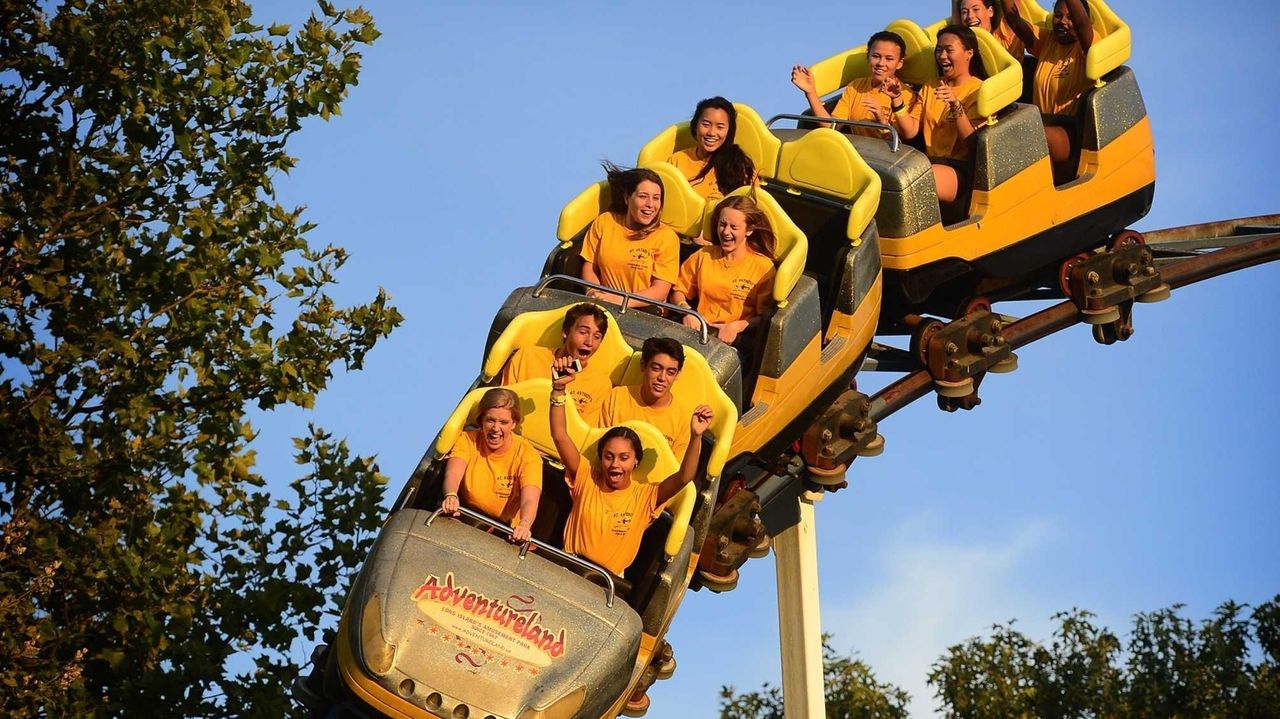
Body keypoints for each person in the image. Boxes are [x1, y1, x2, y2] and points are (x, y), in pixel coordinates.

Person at [550, 369, 713, 576]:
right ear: (600, 459)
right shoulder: (586, 476)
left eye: (623, 458)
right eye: (609, 457)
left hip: (607, 583)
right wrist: (558, 390)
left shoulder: (645, 497)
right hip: (566, 567)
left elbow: (684, 477)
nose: (615, 464)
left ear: (635, 461)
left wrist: (696, 436)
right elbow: (559, 435)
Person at [887, 24, 989, 203]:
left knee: (915, 179)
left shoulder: (979, 90)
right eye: (939, 50)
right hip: (927, 163)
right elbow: (911, 131)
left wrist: (955, 104)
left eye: (949, 50)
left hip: (961, 168)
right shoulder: (930, 85)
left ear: (969, 53)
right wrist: (897, 101)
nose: (942, 56)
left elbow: (972, 142)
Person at [1002, 0, 1102, 176]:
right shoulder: (1047, 40)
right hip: (1037, 121)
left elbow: (1082, 24)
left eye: (1070, 17)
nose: (1063, 21)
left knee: (1024, 135)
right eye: (1058, 16)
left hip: (1068, 131)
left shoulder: (1087, 46)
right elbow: (1014, 21)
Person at [671, 196, 776, 349]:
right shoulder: (703, 255)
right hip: (699, 332)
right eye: (722, 225)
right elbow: (678, 291)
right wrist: (688, 312)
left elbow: (765, 316)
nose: (726, 232)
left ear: (749, 230)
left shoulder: (763, 267)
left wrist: (735, 327)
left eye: (733, 227)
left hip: (735, 341)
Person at [440, 388, 542, 543]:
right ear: (481, 420)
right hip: (463, 514)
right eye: (490, 420)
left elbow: (530, 498)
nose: (496, 428)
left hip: (504, 530)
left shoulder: (528, 456)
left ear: (514, 424)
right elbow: (453, 473)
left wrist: (524, 524)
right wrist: (451, 495)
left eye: (503, 422)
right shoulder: (468, 440)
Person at [580, 163, 680, 308]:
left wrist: (621, 301)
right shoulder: (606, 221)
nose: (650, 204)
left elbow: (660, 290)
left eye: (656, 198)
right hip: (604, 304)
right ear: (627, 198)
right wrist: (594, 292)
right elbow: (589, 267)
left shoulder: (666, 237)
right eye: (643, 196)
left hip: (644, 312)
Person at [500, 303, 613, 423]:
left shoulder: (601, 384)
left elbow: (584, 434)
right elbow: (500, 404)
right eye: (583, 332)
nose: (589, 342)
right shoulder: (527, 356)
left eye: (597, 336)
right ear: (565, 332)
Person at [790, 31, 916, 139]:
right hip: (856, 152)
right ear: (868, 57)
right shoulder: (855, 86)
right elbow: (832, 127)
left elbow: (902, 142)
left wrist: (881, 121)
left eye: (889, 59)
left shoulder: (906, 95)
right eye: (876, 56)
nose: (881, 63)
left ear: (899, 63)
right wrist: (810, 92)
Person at [596, 337, 690, 457]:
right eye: (656, 369)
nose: (662, 378)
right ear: (643, 365)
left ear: (677, 375)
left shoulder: (683, 419)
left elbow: (677, 471)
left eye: (670, 372)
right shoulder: (617, 397)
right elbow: (599, 449)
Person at [665, 97, 757, 201]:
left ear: (729, 131)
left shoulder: (741, 166)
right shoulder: (677, 161)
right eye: (706, 125)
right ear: (695, 126)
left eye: (720, 127)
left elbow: (753, 208)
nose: (712, 133)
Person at [952, 0, 1025, 59]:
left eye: (976, 9)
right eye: (964, 12)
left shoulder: (1004, 38)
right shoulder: (961, 45)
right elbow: (957, 28)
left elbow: (1014, 17)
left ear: (990, 11)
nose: (970, 16)